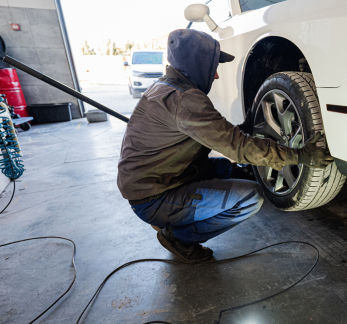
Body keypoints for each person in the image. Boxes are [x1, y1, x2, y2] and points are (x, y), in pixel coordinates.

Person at [117, 29, 334, 263]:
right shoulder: (186, 100)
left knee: (226, 167)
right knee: (250, 197)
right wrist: (300, 156)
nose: (217, 76)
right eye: (213, 67)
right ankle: (179, 237)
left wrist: (247, 126)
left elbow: (221, 136)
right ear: (197, 64)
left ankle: (170, 217)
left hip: (157, 179)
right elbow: (237, 147)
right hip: (154, 196)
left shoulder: (167, 88)